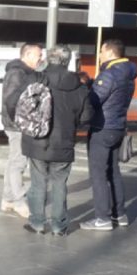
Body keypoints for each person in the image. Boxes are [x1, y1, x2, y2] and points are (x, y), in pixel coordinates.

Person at [22, 45, 93, 236]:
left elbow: (21, 105)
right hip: (64, 141)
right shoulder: (79, 86)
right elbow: (87, 117)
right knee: (60, 183)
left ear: (48, 58)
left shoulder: (36, 78)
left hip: (37, 139)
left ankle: (37, 223)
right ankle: (58, 226)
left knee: (38, 182)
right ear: (67, 60)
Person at [81, 39, 137, 231]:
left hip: (102, 128)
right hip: (118, 128)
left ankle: (102, 218)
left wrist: (86, 89)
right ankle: (119, 214)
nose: (99, 55)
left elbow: (94, 101)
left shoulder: (109, 75)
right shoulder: (128, 74)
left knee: (98, 174)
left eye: (101, 51)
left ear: (111, 53)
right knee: (113, 172)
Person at [0, 43, 43, 219]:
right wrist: (20, 122)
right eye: (38, 55)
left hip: (16, 123)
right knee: (18, 163)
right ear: (27, 55)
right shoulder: (18, 73)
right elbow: (11, 100)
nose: (41, 58)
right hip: (17, 125)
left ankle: (8, 199)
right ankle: (18, 201)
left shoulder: (24, 72)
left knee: (13, 161)